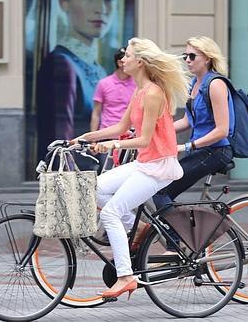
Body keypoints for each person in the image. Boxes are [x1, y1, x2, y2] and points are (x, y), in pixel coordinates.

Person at [74, 37, 189, 299]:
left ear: (140, 61)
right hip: (144, 163)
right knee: (94, 188)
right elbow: (120, 128)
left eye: (127, 55)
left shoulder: (152, 93)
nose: (122, 59)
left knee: (110, 213)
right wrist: (83, 138)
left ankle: (125, 276)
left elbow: (144, 139)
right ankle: (138, 229)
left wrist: (112, 145)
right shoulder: (139, 91)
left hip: (158, 167)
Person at [153, 36, 234, 225]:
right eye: (185, 56)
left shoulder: (216, 84)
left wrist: (188, 146)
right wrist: (153, 132)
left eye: (192, 56)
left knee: (161, 190)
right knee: (163, 190)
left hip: (215, 151)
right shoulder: (194, 84)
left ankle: (176, 244)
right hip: (201, 150)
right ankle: (184, 234)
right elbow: (187, 121)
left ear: (207, 58)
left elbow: (222, 130)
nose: (187, 60)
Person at [36, 0, 117, 158]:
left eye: (108, 0)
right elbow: (60, 140)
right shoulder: (62, 64)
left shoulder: (99, 70)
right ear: (64, 3)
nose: (100, 8)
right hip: (78, 168)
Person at [90, 47, 136, 131]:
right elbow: (96, 113)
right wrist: (93, 140)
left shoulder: (138, 85)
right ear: (120, 63)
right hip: (106, 134)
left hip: (128, 136)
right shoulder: (103, 83)